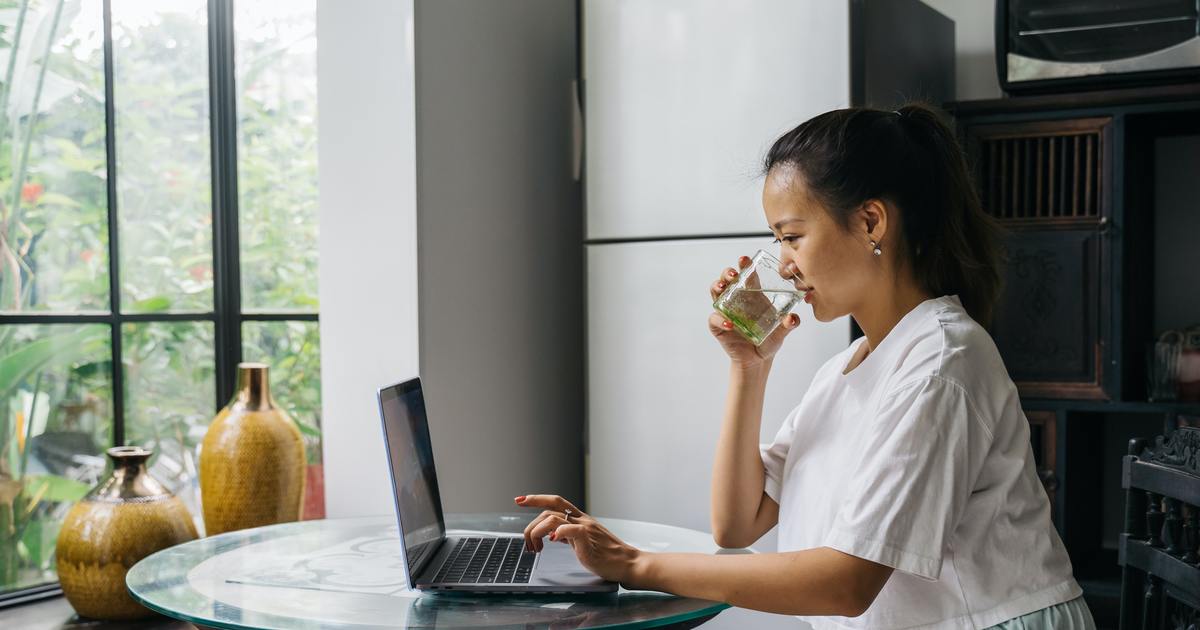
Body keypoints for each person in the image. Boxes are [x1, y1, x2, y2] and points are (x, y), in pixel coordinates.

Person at [515, 103, 1095, 629]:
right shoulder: (850, 366)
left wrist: (638, 564)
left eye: (791, 237)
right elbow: (738, 524)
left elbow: (846, 583)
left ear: (871, 222)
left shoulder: (942, 361)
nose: (784, 266)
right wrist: (749, 367)